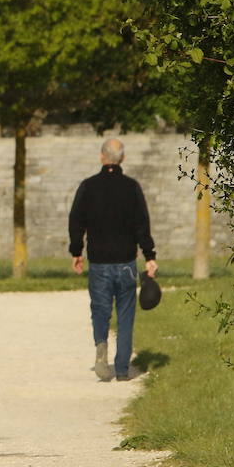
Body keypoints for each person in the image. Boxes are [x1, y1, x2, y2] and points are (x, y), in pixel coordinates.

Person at [67, 138, 158, 382]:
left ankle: (101, 345)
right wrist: (149, 256)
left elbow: (76, 221)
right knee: (126, 314)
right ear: (123, 159)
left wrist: (77, 252)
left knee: (100, 309)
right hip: (126, 262)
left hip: (99, 262)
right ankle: (121, 369)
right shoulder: (132, 187)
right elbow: (142, 225)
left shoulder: (88, 187)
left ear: (101, 157)